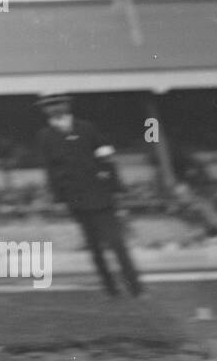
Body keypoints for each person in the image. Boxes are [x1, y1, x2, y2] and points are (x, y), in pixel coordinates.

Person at [36, 93, 142, 297]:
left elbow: (106, 156)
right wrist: (58, 198)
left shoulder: (87, 128)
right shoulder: (45, 136)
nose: (54, 109)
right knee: (95, 248)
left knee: (116, 243)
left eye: (58, 104)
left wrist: (115, 186)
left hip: (101, 196)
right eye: (49, 106)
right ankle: (111, 289)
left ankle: (135, 288)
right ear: (44, 110)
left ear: (67, 105)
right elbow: (49, 169)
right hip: (76, 199)